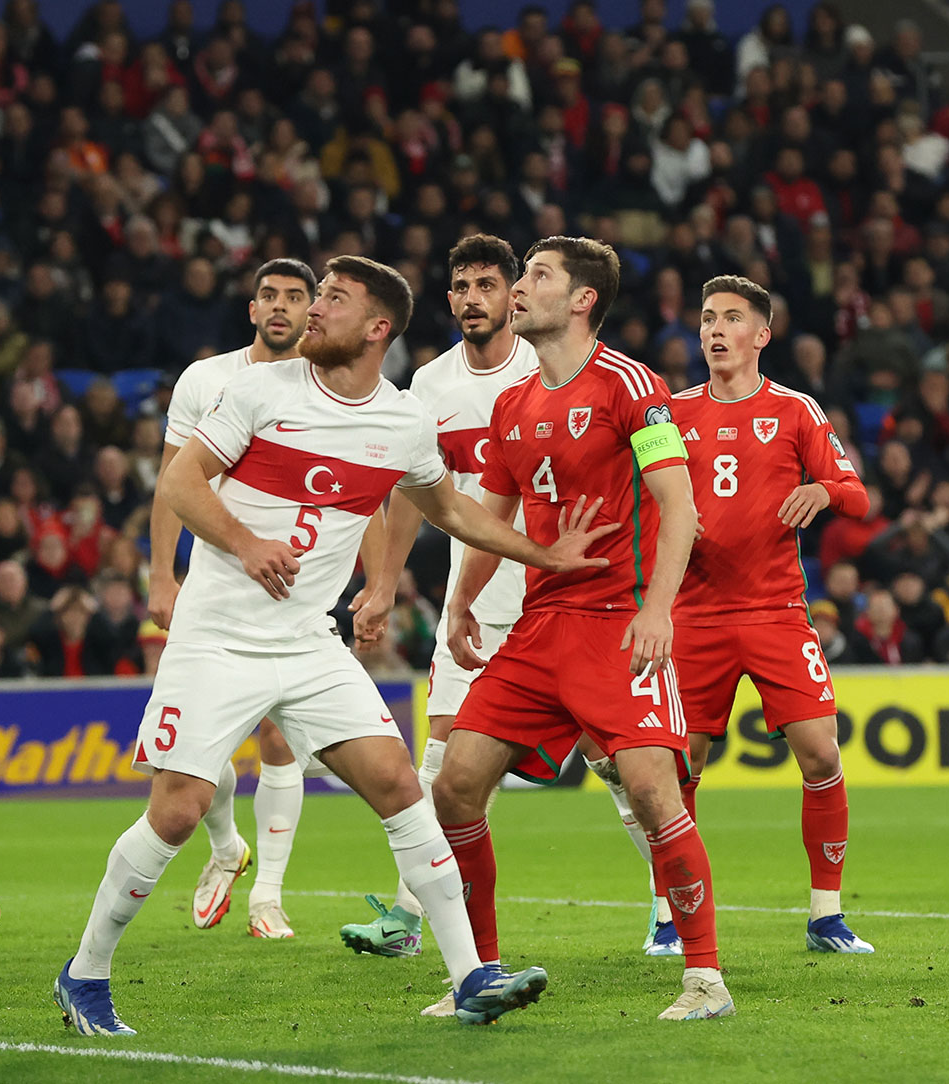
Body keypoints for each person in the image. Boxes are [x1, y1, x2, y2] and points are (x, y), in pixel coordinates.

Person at [56, 256, 610, 1035]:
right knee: (178, 812)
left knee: (400, 784)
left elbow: (453, 511)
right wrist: (246, 543)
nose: (314, 309)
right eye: (315, 295)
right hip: (218, 641)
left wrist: (544, 554)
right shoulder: (259, 391)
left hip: (308, 643)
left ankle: (470, 977)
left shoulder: (403, 421)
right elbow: (180, 483)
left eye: (333, 299)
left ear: (378, 327)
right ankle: (84, 975)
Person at [428, 237, 726, 1022]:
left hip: (618, 624)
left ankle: (705, 980)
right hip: (540, 627)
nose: (519, 288)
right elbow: (493, 516)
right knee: (454, 786)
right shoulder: (512, 404)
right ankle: (478, 975)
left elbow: (679, 505)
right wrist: (461, 602)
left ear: (583, 299)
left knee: (654, 792)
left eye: (538, 275)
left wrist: (657, 609)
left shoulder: (631, 385)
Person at [344, 235, 647, 958]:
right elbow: (413, 491)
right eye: (460, 286)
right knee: (443, 762)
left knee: (618, 765)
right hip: (475, 601)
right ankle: (411, 917)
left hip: (566, 598)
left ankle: (669, 907)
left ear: (514, 293)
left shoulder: (548, 364)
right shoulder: (430, 385)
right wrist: (383, 585)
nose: (472, 298)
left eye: (487, 284)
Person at [669, 276, 876, 954]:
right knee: (678, 769)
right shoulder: (669, 414)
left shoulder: (793, 410)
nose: (715, 329)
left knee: (821, 754)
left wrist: (823, 490)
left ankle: (826, 916)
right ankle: (669, 916)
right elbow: (636, 500)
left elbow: (858, 497)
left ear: (762, 334)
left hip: (775, 611)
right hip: (693, 615)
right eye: (708, 318)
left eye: (731, 318)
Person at [149, 257, 322, 939]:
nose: (280, 306)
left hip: (292, 589)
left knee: (279, 739)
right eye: (269, 295)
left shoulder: (329, 385)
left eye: (295, 296)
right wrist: (161, 575)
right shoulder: (206, 379)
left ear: (313, 310)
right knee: (186, 751)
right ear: (252, 309)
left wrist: (378, 585)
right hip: (214, 587)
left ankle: (268, 897)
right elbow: (172, 481)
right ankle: (226, 846)